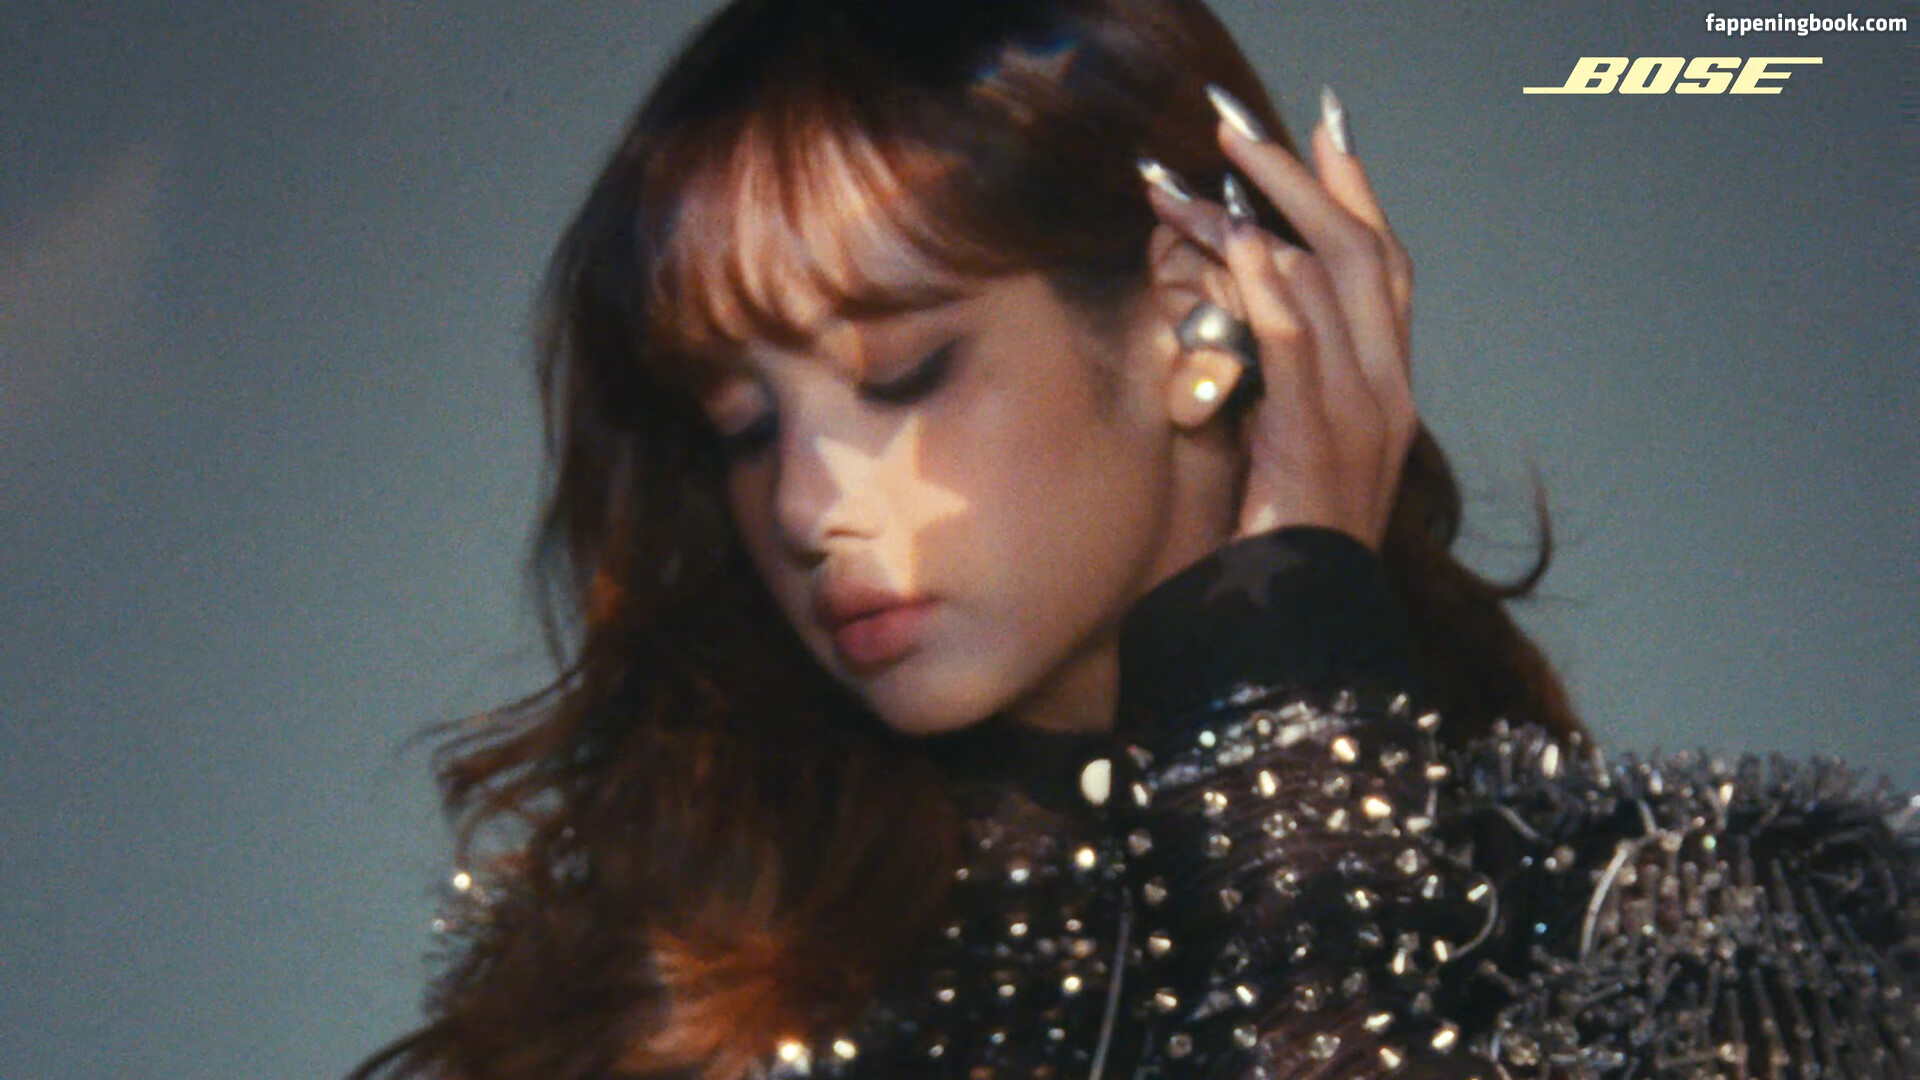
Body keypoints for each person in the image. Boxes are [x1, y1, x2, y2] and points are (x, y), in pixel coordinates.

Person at [353, 1, 1917, 1077]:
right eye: (745, 426)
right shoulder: (670, 982)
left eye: (904, 376)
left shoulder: (1693, 926)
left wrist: (1289, 696)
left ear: (1192, 320)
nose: (810, 511)